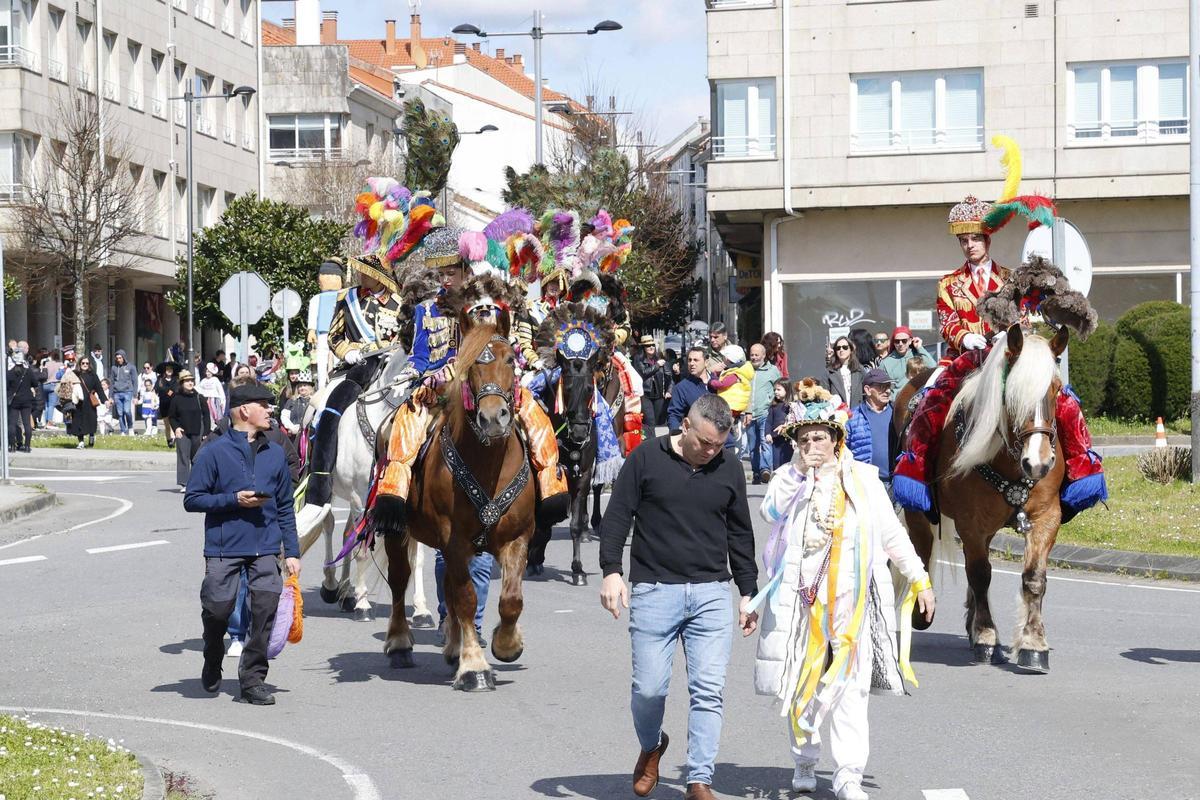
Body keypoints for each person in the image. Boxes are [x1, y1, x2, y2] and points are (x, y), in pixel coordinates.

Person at [754, 382, 934, 800]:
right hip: (802, 602)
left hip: (853, 604)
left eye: (819, 437)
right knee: (804, 679)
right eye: (803, 439)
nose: (812, 446)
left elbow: (892, 535)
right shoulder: (789, 478)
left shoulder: (865, 480)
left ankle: (849, 774)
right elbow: (769, 510)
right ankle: (804, 759)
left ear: (836, 439)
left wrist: (919, 578)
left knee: (853, 688)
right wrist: (798, 472)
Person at [893, 194, 1106, 518]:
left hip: (1008, 355)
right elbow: (947, 322)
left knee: (1061, 399)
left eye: (975, 238)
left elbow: (1024, 317)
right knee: (929, 402)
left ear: (987, 240)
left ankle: (1079, 473)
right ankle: (919, 474)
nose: (969, 245)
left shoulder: (1011, 278)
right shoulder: (948, 284)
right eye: (964, 240)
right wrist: (965, 337)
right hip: (964, 357)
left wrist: (1010, 334)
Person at [598, 394, 758, 800]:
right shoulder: (646, 458)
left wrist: (748, 592)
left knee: (708, 690)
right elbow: (618, 516)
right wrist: (611, 571)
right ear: (685, 426)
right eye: (704, 442)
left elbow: (740, 532)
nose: (711, 452)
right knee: (649, 690)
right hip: (655, 590)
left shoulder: (728, 467)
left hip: (711, 594)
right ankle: (652, 745)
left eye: (719, 445)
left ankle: (699, 779)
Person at [184, 382, 301, 706]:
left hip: (265, 547)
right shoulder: (214, 451)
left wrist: (292, 552)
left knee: (264, 611)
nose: (270, 410)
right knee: (218, 609)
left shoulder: (275, 452)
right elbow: (192, 499)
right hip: (224, 547)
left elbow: (285, 506)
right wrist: (233, 500)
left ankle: (252, 681)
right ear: (244, 410)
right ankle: (212, 654)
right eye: (264, 404)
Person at [845, 368, 899, 494]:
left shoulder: (897, 414)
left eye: (888, 386)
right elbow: (844, 452)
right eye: (882, 387)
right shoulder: (852, 418)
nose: (887, 391)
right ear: (868, 390)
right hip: (865, 485)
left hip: (895, 483)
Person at [745, 343, 782, 484]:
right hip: (749, 414)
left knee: (765, 442)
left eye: (756, 355)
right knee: (752, 446)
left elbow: (780, 386)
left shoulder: (772, 371)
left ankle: (765, 469)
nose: (754, 357)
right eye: (752, 355)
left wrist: (774, 404)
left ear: (764, 355)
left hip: (765, 412)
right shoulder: (746, 370)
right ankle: (756, 472)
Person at [307, 259, 345, 390]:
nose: (330, 279)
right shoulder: (316, 299)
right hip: (323, 332)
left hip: (340, 331)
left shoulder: (343, 296)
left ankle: (338, 382)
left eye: (334, 276)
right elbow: (313, 314)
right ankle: (322, 385)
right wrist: (311, 330)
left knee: (339, 355)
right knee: (321, 358)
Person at [172, 370, 211, 492]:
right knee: (183, 457)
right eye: (187, 381)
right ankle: (184, 483)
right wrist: (176, 428)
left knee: (197, 458)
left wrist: (206, 432)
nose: (190, 383)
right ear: (182, 383)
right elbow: (172, 416)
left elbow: (206, 415)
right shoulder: (176, 398)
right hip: (183, 432)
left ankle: (197, 483)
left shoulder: (199, 397)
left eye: (191, 381)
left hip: (198, 431)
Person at [666, 346, 711, 434]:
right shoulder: (681, 388)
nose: (691, 363)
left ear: (706, 362)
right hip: (696, 436)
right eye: (689, 360)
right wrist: (676, 435)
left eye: (696, 360)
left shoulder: (718, 382)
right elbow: (673, 415)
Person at [632, 335, 668, 442]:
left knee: (658, 422)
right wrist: (657, 366)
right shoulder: (638, 359)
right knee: (650, 421)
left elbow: (668, 376)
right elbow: (644, 372)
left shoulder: (659, 358)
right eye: (648, 346)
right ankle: (651, 444)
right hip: (646, 394)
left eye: (652, 345)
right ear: (643, 348)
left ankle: (655, 441)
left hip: (659, 395)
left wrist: (669, 390)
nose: (651, 347)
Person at [68, 357, 106, 449]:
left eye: (87, 363)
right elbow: (67, 385)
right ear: (79, 364)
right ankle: (81, 442)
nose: (85, 365)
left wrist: (105, 400)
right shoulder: (74, 374)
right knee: (78, 422)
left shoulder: (93, 375)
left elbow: (99, 389)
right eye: (83, 363)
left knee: (91, 421)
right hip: (78, 403)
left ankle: (91, 435)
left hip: (89, 402)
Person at [7, 352, 35, 452]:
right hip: (26, 400)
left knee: (12, 423)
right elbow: (35, 383)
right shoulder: (28, 371)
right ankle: (27, 446)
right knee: (27, 423)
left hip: (14, 401)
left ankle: (12, 445)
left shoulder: (10, 373)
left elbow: (6, 387)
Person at [825, 336, 864, 407]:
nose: (841, 350)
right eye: (838, 348)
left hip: (857, 410)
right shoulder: (829, 371)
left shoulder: (860, 369)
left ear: (851, 350)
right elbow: (825, 395)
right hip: (838, 411)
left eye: (845, 347)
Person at [765, 378, 793, 469]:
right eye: (774, 390)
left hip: (788, 440)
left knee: (787, 464)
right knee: (776, 464)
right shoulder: (774, 406)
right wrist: (767, 433)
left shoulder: (792, 405)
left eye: (778, 389)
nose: (776, 392)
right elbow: (768, 421)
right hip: (776, 439)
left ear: (787, 390)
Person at [280, 369, 314, 441]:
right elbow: (284, 416)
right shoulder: (292, 401)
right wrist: (292, 428)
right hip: (294, 437)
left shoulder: (314, 401)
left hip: (311, 437)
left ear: (310, 387)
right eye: (300, 386)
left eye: (304, 385)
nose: (302, 388)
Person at [110, 349, 137, 435]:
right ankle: (123, 430)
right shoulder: (113, 368)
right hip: (117, 392)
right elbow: (111, 382)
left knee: (127, 411)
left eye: (120, 358)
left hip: (128, 392)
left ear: (124, 358)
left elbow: (135, 381)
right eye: (117, 358)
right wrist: (110, 396)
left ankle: (130, 427)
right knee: (120, 413)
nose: (118, 360)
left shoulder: (131, 367)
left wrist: (135, 395)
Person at [155, 363, 180, 448]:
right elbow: (158, 389)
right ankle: (169, 440)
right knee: (167, 424)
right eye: (167, 369)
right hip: (164, 404)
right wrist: (168, 391)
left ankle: (173, 440)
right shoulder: (160, 379)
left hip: (173, 404)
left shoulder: (176, 379)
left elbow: (176, 390)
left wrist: (167, 391)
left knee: (172, 422)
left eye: (171, 369)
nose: (169, 370)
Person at [41, 350, 64, 428]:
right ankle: (49, 421)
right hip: (54, 385)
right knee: (51, 405)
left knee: (46, 404)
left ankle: (45, 421)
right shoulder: (60, 364)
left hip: (45, 384)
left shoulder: (47, 364)